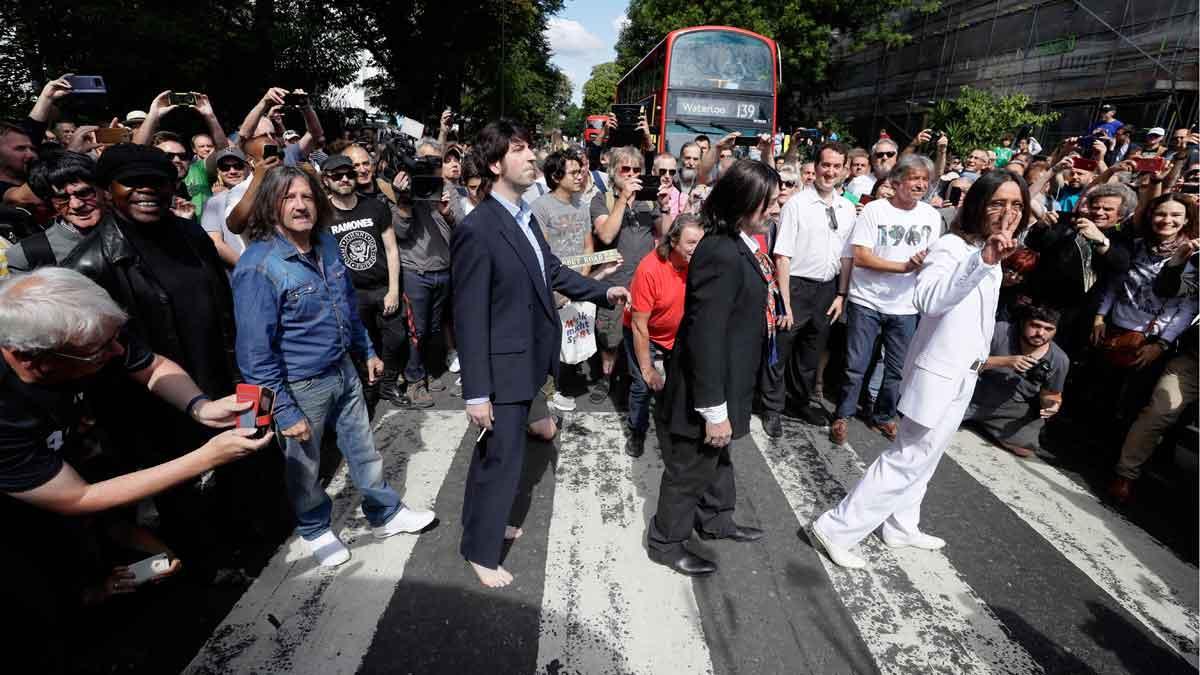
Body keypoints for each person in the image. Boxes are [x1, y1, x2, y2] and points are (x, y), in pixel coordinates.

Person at [0, 268, 272, 671]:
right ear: (30, 357)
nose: (115, 352)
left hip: (80, 503)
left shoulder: (84, 333)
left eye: (114, 339)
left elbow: (149, 366)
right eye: (100, 350)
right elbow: (76, 497)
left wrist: (201, 407)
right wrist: (205, 458)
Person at [811, 170, 1028, 569]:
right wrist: (980, 262)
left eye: (1016, 204)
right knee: (908, 456)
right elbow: (928, 300)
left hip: (963, 374)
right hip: (937, 375)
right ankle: (837, 527)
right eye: (998, 202)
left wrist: (989, 260)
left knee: (927, 457)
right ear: (978, 204)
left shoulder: (989, 251)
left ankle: (901, 524)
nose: (1009, 213)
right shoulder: (952, 248)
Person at [452, 119, 626, 588]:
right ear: (494, 165)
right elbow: (468, 318)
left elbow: (550, 270)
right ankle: (482, 551)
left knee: (499, 456)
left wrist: (600, 292)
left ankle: (483, 524)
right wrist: (477, 392)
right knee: (502, 458)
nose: (532, 158)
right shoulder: (479, 228)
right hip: (502, 367)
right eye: (520, 150)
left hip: (527, 359)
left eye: (530, 148)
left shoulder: (522, 216)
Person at [233, 166, 434, 567]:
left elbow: (344, 306)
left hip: (343, 370)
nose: (300, 205)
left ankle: (385, 513)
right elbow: (254, 355)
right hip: (298, 384)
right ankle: (314, 528)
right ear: (271, 205)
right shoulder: (257, 266)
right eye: (289, 197)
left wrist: (367, 351)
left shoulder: (326, 244)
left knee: (363, 449)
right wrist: (284, 411)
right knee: (305, 466)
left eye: (307, 197)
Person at [648, 160, 779, 577]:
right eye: (769, 201)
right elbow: (705, 334)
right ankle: (666, 541)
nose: (776, 208)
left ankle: (717, 517)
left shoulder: (741, 241)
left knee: (718, 459)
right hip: (707, 387)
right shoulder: (720, 251)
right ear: (745, 201)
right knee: (690, 468)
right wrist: (713, 410)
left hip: (732, 375)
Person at [830, 155, 941, 445]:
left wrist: (924, 264)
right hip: (866, 301)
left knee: (896, 368)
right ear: (896, 181)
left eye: (924, 180)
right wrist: (904, 267)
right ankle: (843, 415)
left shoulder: (930, 216)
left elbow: (934, 258)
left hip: (905, 306)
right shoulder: (874, 211)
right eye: (914, 178)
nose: (920, 184)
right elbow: (862, 257)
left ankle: (883, 416)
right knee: (856, 365)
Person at [770, 143, 856, 431]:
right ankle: (771, 406)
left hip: (827, 290)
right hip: (795, 286)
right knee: (780, 349)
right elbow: (782, 256)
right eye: (825, 165)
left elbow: (846, 257)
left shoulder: (846, 208)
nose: (829, 171)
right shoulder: (797, 204)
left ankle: (799, 401)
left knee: (810, 350)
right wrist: (785, 301)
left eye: (836, 166)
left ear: (844, 170)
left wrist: (841, 294)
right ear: (815, 167)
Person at [1109, 235, 1199, 504]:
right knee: (1158, 411)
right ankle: (1125, 475)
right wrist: (1177, 262)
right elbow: (1175, 295)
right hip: (1192, 362)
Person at [322, 153, 409, 410]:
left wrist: (394, 290)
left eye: (349, 173)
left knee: (397, 338)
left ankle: (388, 383)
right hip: (349, 293)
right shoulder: (322, 214)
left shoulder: (375, 206)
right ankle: (367, 387)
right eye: (338, 176)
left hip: (382, 287)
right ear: (326, 180)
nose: (345, 179)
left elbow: (392, 249)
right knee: (359, 344)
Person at [624, 215, 705, 457]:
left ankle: (671, 423)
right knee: (642, 385)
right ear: (673, 241)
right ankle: (637, 431)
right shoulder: (649, 269)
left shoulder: (697, 265)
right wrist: (648, 369)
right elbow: (639, 325)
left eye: (701, 242)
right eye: (691, 243)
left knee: (678, 382)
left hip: (677, 334)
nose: (697, 249)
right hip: (644, 332)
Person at [1025, 183, 1136, 355]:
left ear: (1121, 214)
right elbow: (1033, 243)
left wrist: (1100, 239)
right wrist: (1040, 226)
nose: (1099, 212)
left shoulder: (1122, 238)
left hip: (1076, 316)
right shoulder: (1064, 220)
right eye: (1095, 206)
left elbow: (1121, 265)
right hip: (1039, 304)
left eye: (1107, 209)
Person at [590, 145, 658, 403]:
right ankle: (605, 378)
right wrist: (623, 199)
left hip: (644, 283)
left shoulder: (648, 199)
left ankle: (637, 379)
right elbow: (606, 234)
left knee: (642, 334)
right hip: (615, 282)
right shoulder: (602, 199)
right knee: (610, 337)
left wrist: (662, 206)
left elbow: (664, 234)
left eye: (636, 170)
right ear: (612, 172)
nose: (631, 174)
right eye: (625, 169)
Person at [963, 306, 1069, 457]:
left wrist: (1052, 405)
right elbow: (964, 363)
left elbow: (1051, 394)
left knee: (1025, 449)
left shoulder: (1059, 359)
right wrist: (1004, 362)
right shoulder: (1000, 331)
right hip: (974, 391)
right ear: (1023, 323)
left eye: (1048, 329)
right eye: (1035, 326)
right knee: (938, 418)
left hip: (1010, 406)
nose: (1040, 333)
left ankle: (987, 423)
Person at [7, 151, 103, 271]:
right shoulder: (28, 255)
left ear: (103, 189)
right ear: (50, 201)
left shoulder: (130, 231)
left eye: (84, 193)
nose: (76, 205)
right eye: (62, 198)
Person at [200, 146, 252, 268]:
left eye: (237, 166)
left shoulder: (262, 192)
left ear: (247, 168)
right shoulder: (213, 202)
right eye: (225, 168)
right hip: (241, 271)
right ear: (218, 172)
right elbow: (216, 242)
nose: (232, 171)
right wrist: (246, 268)